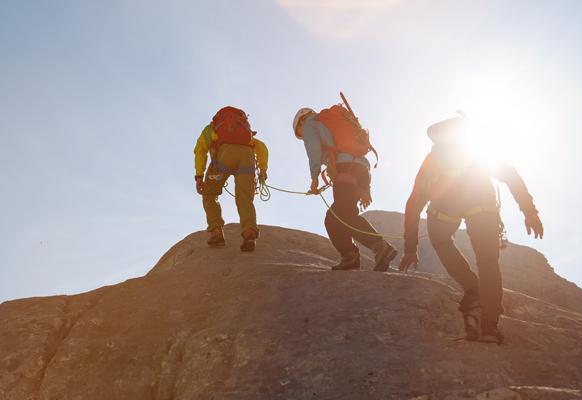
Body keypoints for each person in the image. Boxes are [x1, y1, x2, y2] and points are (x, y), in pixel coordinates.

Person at [398, 113, 543, 344]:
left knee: (441, 240)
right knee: (488, 264)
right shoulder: (476, 152)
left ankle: (472, 288)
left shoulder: (433, 158)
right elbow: (511, 176)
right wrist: (530, 212)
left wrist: (410, 247)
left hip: (443, 215)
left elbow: (414, 202)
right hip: (484, 210)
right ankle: (489, 327)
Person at [292, 106, 398, 271]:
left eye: (299, 132)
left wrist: (314, 177)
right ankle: (351, 257)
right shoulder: (333, 121)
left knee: (344, 215)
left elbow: (314, 150)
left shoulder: (309, 124)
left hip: (345, 167)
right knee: (333, 218)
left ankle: (379, 247)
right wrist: (365, 188)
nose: (302, 134)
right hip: (362, 169)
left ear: (300, 121)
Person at [194, 106, 269, 252]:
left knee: (210, 195)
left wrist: (199, 176)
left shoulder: (211, 129)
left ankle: (217, 233)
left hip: (223, 160)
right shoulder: (244, 133)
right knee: (245, 199)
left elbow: (200, 151)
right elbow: (262, 147)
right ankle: (249, 234)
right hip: (246, 159)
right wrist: (263, 168)